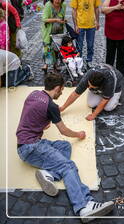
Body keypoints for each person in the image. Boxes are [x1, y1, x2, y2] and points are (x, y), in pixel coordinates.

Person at [16, 73, 114, 222]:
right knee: (68, 166)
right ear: (56, 88)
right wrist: (78, 134)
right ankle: (84, 206)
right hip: (31, 147)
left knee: (64, 146)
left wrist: (42, 123)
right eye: (61, 90)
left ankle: (49, 175)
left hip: (27, 143)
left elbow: (30, 114)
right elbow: (64, 131)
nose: (61, 93)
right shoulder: (51, 106)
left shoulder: (34, 94)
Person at [70, 0, 101, 68]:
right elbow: (74, 10)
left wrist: (98, 22)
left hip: (91, 24)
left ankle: (89, 60)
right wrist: (75, 25)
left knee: (90, 45)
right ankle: (79, 62)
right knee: (79, 45)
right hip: (80, 24)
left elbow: (96, 8)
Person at [41, 0, 67, 73]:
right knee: (48, 47)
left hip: (59, 30)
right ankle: (46, 65)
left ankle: (55, 65)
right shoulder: (48, 5)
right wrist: (56, 20)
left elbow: (62, 17)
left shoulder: (64, 5)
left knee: (56, 48)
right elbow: (44, 19)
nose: (58, 1)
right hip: (48, 31)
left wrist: (64, 20)